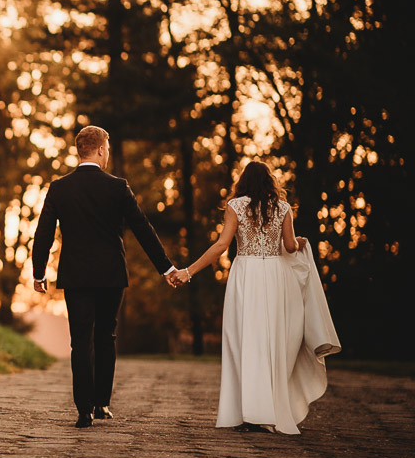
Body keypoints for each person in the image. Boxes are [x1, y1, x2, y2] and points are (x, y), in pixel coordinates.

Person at [171, 161, 340, 434]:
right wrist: (301, 243)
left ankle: (245, 412)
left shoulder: (235, 206)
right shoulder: (283, 208)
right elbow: (289, 246)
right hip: (275, 277)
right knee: (272, 342)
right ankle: (267, 410)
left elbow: (222, 245)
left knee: (242, 341)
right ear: (270, 181)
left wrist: (188, 271)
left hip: (246, 275)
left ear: (243, 182)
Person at [31, 126, 178, 428]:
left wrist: (38, 271)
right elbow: (143, 229)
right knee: (106, 336)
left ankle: (83, 410)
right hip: (111, 275)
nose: (108, 154)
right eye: (107, 149)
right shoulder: (118, 187)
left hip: (76, 276)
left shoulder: (60, 188)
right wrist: (165, 267)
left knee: (80, 340)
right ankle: (102, 403)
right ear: (99, 150)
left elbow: (44, 231)